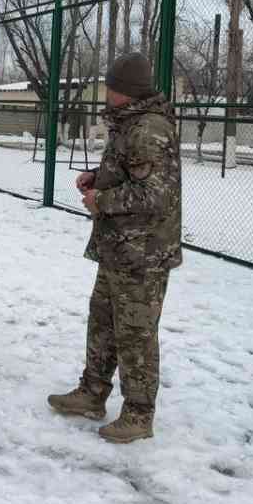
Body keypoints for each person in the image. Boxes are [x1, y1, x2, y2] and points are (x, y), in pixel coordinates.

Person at [47, 52, 182, 444]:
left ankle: (139, 414)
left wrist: (101, 201)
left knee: (135, 333)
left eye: (111, 86)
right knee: (103, 322)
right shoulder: (129, 124)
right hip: (119, 248)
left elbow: (155, 193)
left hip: (142, 254)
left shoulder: (148, 129)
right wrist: (98, 177)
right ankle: (92, 393)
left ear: (126, 91)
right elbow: (130, 174)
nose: (106, 92)